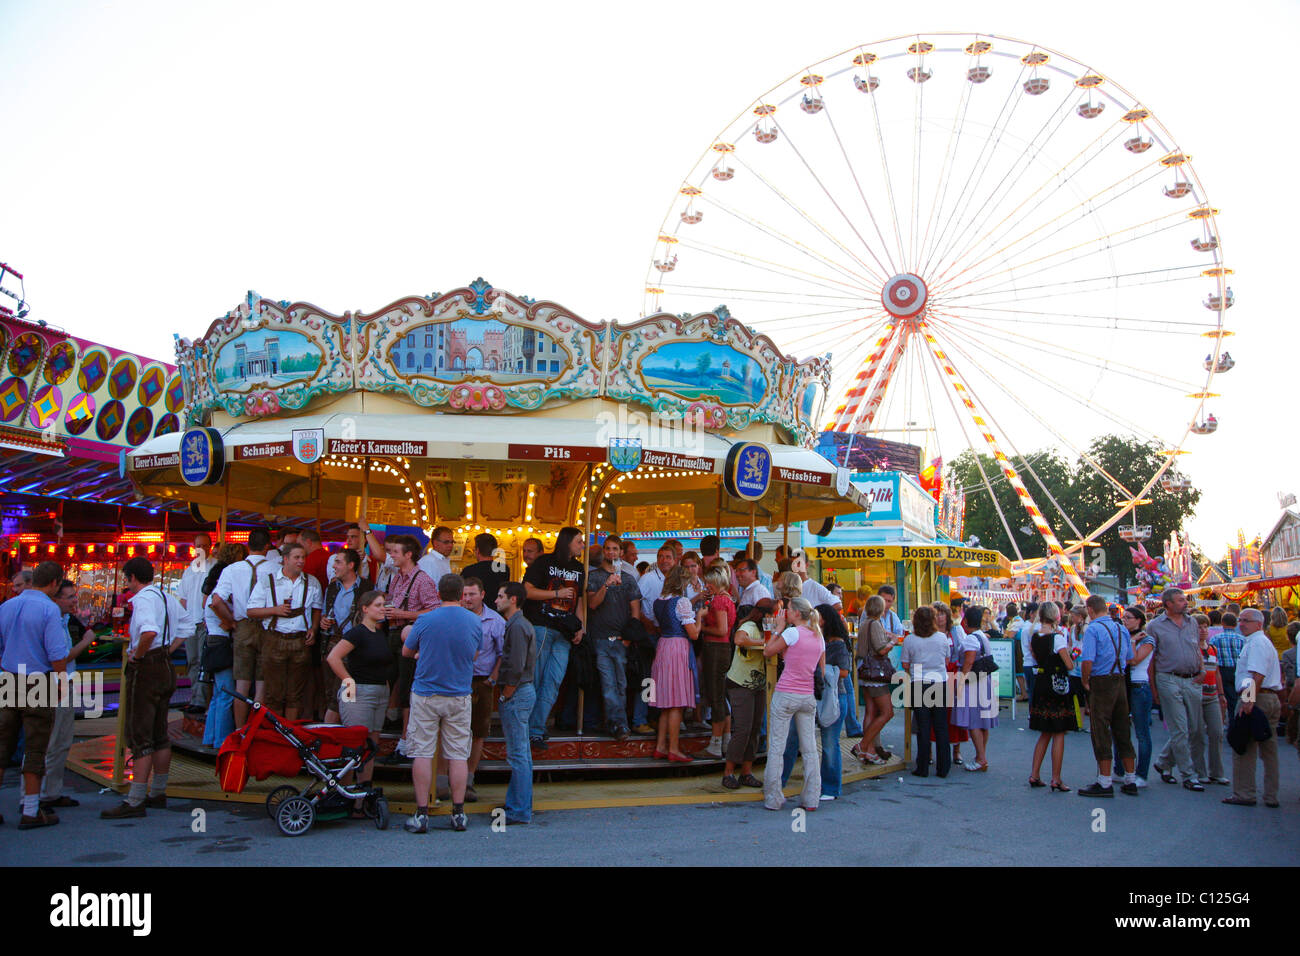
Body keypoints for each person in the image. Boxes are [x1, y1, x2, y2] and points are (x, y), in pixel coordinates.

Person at [102, 557, 193, 819]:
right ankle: (158, 792)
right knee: (160, 732)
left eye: (126, 578)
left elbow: (149, 632)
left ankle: (135, 799)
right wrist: (169, 650)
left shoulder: (142, 599)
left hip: (147, 667)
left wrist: (138, 656)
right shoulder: (165, 597)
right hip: (165, 664)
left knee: (140, 734)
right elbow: (187, 625)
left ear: (132, 578)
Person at [402, 573, 480, 833]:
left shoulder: (425, 619)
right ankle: (458, 813)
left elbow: (407, 651)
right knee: (458, 754)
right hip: (459, 693)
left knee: (422, 752)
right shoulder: (474, 621)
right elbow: (475, 653)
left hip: (426, 692)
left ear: (437, 594)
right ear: (461, 595)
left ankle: (422, 813)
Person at [0, 561, 71, 829]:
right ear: (54, 583)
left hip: (9, 677)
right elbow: (56, 654)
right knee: (35, 746)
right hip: (37, 681)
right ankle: (31, 811)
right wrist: (62, 685)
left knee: (2, 744)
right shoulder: (48, 609)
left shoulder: (7, 606)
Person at [325, 590, 391, 815]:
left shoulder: (379, 634)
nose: (383, 608)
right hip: (360, 691)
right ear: (365, 609)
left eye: (383, 605)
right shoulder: (357, 633)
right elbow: (333, 657)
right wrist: (348, 680)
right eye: (378, 605)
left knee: (371, 745)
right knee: (355, 743)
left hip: (379, 691)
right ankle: (344, 795)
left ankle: (362, 797)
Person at [779, 602, 850, 800]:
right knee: (794, 738)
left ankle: (830, 788)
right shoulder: (815, 638)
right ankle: (780, 780)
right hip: (812, 693)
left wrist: (821, 669)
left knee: (828, 742)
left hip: (830, 696)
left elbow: (844, 671)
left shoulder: (836, 644)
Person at [523, 526, 586, 745]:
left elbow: (579, 601)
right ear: (567, 542)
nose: (582, 545)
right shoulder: (544, 563)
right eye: (579, 541)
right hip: (542, 625)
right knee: (536, 678)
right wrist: (556, 593)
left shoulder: (579, 568)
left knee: (553, 681)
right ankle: (528, 727)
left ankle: (537, 728)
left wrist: (580, 627)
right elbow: (527, 590)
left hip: (565, 631)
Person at [246, 542, 323, 720]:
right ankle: (276, 735)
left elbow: (317, 608)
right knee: (274, 694)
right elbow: (251, 611)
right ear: (285, 559)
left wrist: (314, 627)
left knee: (295, 694)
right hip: (274, 639)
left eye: (303, 557)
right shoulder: (268, 581)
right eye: (297, 557)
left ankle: (289, 734)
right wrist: (275, 610)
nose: (301, 561)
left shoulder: (312, 582)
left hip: (300, 641)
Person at [762, 597, 825, 809]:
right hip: (807, 695)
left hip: (786, 692)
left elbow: (768, 651)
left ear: (797, 613)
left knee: (777, 747)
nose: (785, 613)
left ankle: (773, 797)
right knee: (810, 749)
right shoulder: (818, 636)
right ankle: (812, 797)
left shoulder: (791, 633)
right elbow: (821, 669)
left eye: (788, 610)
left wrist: (778, 629)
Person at [207, 527, 273, 728]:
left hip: (242, 628)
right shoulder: (276, 568)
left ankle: (240, 730)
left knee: (242, 684)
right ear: (268, 547)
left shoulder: (231, 569)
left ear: (247, 546)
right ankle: (256, 729)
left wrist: (232, 622)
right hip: (267, 626)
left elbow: (216, 601)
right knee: (262, 684)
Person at [39, 579, 95, 812]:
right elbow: (61, 657)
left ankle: (51, 791)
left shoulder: (64, 620)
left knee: (62, 739)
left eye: (75, 596)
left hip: (63, 681)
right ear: (55, 598)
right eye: (70, 597)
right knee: (52, 739)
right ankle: (42, 793)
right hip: (56, 682)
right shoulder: (53, 621)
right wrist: (86, 642)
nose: (74, 601)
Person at [1078, 593, 1139, 797]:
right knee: (1122, 729)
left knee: (1100, 730)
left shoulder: (1093, 629)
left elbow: (1088, 659)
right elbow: (1130, 658)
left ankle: (1104, 782)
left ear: (1090, 609)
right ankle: (1130, 779)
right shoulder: (1121, 628)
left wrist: (1085, 680)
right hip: (1120, 679)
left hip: (1101, 681)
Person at [1223, 608, 1284, 808]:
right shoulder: (1261, 641)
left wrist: (1248, 701)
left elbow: (1257, 674)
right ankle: (1271, 796)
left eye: (1246, 621)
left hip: (1257, 698)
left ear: (1259, 624)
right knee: (1269, 748)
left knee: (1244, 746)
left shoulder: (1257, 642)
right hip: (1268, 697)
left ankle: (1245, 793)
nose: (1241, 624)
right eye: (1240, 620)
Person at [1147, 587, 1205, 791]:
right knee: (1180, 728)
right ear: (1168, 604)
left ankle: (1164, 762)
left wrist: (1202, 670)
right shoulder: (1154, 626)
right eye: (1180, 600)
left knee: (1195, 728)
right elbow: (1151, 659)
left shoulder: (1192, 622)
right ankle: (1189, 775)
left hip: (1192, 678)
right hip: (1168, 678)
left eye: (1184, 599)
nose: (1185, 602)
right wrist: (1153, 687)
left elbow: (1197, 647)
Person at [383, 534, 438, 749]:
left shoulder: (423, 579)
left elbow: (434, 609)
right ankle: (392, 722)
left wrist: (403, 614)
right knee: (390, 679)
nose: (391, 556)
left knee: (407, 685)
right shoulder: (397, 577)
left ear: (408, 555)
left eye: (395, 552)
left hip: (411, 634)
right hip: (393, 632)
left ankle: (406, 740)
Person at [586, 534, 641, 740]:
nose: (611, 552)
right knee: (609, 685)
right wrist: (606, 585)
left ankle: (616, 723)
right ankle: (620, 725)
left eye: (615, 549)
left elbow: (635, 611)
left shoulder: (628, 579)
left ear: (621, 552)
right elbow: (592, 604)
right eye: (608, 549)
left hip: (620, 639)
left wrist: (629, 637)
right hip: (601, 637)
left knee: (621, 684)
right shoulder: (595, 577)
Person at [494, 582, 537, 824]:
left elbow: (517, 665)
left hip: (517, 692)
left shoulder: (518, 627)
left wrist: (506, 694)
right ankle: (518, 803)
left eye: (500, 596)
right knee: (521, 753)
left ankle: (519, 809)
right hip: (521, 691)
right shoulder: (519, 625)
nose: (496, 600)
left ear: (513, 600)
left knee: (518, 754)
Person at [461, 576, 505, 802]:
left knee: (478, 732)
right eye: (464, 594)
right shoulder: (455, 617)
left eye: (471, 594)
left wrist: (492, 678)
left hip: (481, 681)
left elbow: (502, 653)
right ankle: (444, 779)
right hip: (457, 681)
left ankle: (468, 780)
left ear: (482, 595)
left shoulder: (495, 621)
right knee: (453, 732)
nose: (467, 599)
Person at [721, 600, 774, 789]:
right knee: (743, 728)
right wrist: (764, 641)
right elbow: (739, 639)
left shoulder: (768, 629)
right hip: (740, 683)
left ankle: (746, 771)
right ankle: (728, 772)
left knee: (754, 728)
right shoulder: (750, 626)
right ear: (765, 615)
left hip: (757, 684)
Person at [650, 565, 700, 762]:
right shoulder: (682, 602)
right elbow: (693, 634)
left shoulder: (658, 602)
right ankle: (673, 748)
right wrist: (701, 619)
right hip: (677, 648)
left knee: (664, 702)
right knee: (676, 703)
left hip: (663, 646)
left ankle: (661, 745)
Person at [200, 541, 246, 748]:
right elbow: (223, 617)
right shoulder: (217, 601)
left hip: (212, 643)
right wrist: (233, 622)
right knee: (226, 694)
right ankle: (221, 740)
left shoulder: (212, 597)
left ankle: (210, 737)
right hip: (221, 644)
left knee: (218, 694)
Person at [1027, 601, 1076, 791]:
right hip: (1057, 685)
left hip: (1041, 682)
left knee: (1044, 732)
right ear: (1057, 616)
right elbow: (1069, 665)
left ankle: (1035, 774)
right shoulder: (1057, 638)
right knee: (1059, 731)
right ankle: (1056, 778)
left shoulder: (1035, 636)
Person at [320, 548, 370, 722]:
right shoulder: (332, 587)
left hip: (354, 648)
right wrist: (323, 621)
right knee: (330, 692)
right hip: (332, 643)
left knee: (343, 694)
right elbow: (325, 613)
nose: (334, 566)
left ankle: (334, 735)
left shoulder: (367, 588)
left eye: (338, 562)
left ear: (351, 565)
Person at [901, 605, 951, 778]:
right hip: (939, 682)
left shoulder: (910, 640)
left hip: (919, 683)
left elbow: (905, 664)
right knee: (941, 726)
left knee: (923, 727)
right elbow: (947, 659)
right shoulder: (942, 638)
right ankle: (943, 767)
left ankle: (922, 766)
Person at [951, 605, 998, 772]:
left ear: (965, 621)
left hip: (973, 682)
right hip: (984, 680)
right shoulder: (982, 637)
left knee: (974, 721)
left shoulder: (971, 639)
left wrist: (960, 682)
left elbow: (969, 662)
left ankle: (981, 758)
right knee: (983, 721)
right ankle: (981, 756)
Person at [853, 594, 896, 765]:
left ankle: (869, 751)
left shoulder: (864, 624)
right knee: (887, 712)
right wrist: (892, 641)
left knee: (870, 710)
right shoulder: (875, 624)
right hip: (875, 673)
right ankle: (862, 745)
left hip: (864, 669)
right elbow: (881, 650)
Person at [698, 566, 736, 757]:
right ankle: (725, 739)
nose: (707, 586)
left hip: (716, 649)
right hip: (721, 650)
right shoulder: (726, 599)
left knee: (716, 695)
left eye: (709, 582)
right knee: (720, 694)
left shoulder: (719, 601)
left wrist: (702, 625)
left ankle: (716, 742)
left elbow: (721, 630)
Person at [178, 532, 213, 713]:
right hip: (191, 623)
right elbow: (183, 598)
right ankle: (195, 697)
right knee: (192, 661)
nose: (202, 549)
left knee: (202, 662)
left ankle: (201, 701)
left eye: (205, 546)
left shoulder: (214, 567)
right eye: (199, 545)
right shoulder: (189, 570)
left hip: (206, 622)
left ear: (210, 547)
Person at [1121, 606, 1156, 786]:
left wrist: (1133, 642)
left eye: (1129, 617)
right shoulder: (1123, 636)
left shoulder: (1147, 639)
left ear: (1139, 620)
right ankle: (1120, 770)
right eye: (1124, 617)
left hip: (1139, 685)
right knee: (1120, 730)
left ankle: (1141, 773)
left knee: (1142, 732)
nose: (1125, 620)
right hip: (1122, 684)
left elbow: (1133, 659)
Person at [931, 602, 969, 766]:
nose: (939, 617)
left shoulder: (955, 631)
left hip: (953, 675)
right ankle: (931, 751)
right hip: (934, 675)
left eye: (941, 614)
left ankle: (956, 750)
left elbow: (962, 652)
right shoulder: (929, 632)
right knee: (934, 715)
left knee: (954, 714)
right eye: (936, 614)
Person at [461, 533, 507, 612]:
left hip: (474, 612)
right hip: (497, 612)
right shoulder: (504, 569)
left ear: (477, 550)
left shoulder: (468, 571)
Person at [1211, 612, 1245, 715]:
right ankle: (1235, 715)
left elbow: (1212, 656)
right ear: (1235, 624)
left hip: (1222, 670)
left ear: (1223, 623)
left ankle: (1230, 717)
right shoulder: (1242, 639)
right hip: (1238, 669)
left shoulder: (1216, 638)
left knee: (1226, 696)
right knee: (1237, 695)